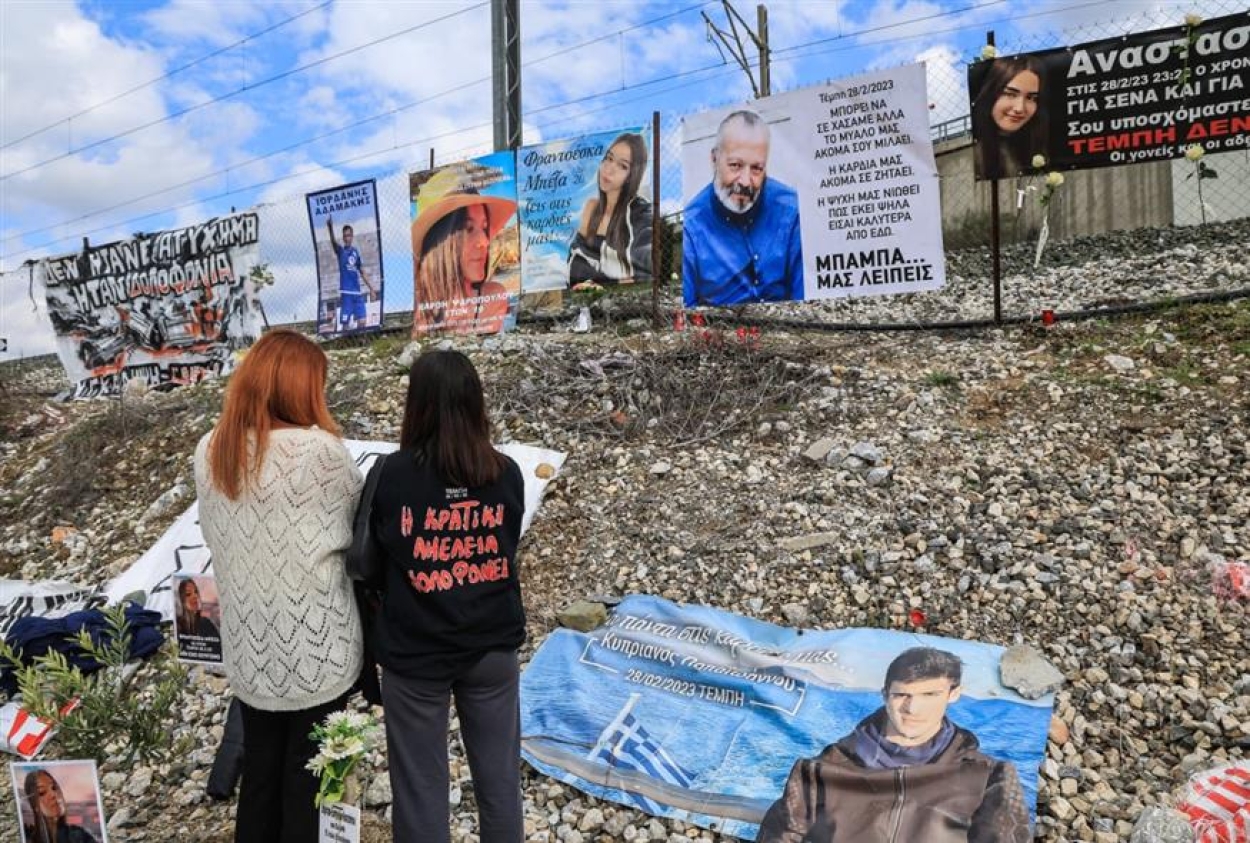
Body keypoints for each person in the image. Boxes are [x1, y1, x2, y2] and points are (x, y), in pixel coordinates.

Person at [193, 329, 363, 843]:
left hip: (249, 649)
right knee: (312, 778)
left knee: (261, 774)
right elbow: (357, 530)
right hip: (319, 649)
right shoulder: (321, 452)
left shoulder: (211, 450)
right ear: (300, 387)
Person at [370, 349, 526, 843]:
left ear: (416, 406)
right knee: (500, 784)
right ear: (476, 403)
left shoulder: (393, 475)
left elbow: (375, 556)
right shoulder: (507, 473)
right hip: (492, 647)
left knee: (420, 790)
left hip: (416, 653)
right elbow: (507, 542)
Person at [757, 647, 1031, 843]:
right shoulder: (818, 771)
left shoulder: (990, 776)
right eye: (902, 695)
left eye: (930, 694)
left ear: (953, 694)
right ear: (885, 695)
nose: (913, 708)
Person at [682, 109, 803, 307]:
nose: (746, 182)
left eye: (756, 168)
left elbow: (806, 298)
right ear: (714, 159)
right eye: (736, 165)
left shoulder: (792, 210)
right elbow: (687, 311)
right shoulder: (692, 227)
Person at [412, 189, 517, 335]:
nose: (485, 242)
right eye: (469, 229)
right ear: (441, 242)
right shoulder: (420, 307)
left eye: (484, 228)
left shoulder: (493, 297)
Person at [569, 132, 653, 285]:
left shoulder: (640, 211)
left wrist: (599, 281)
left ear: (632, 176)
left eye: (622, 166)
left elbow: (646, 270)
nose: (609, 169)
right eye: (609, 158)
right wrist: (614, 281)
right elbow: (575, 266)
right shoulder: (592, 207)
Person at [972, 56, 1048, 180]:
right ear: (991, 93)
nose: (1020, 108)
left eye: (1031, 98)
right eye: (1010, 94)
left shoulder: (1035, 147)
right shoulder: (974, 154)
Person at [326, 216, 378, 331]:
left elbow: (362, 271)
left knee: (362, 321)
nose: (347, 238)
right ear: (343, 238)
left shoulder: (355, 252)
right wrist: (330, 229)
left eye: (349, 235)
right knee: (345, 324)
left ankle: (360, 340)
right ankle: (346, 341)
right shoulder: (341, 251)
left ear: (352, 236)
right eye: (345, 236)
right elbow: (334, 243)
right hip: (346, 293)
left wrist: (371, 288)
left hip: (357, 293)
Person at [21, 768, 100, 843]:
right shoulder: (27, 838)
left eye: (54, 788)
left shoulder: (80, 835)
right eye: (42, 792)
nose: (53, 794)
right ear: (34, 805)